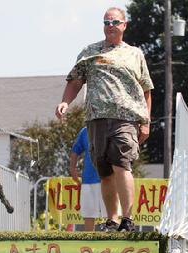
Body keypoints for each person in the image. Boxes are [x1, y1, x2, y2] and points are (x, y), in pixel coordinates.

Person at [55, 7, 153, 232]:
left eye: (115, 22)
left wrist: (146, 122)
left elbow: (146, 89)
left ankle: (127, 219)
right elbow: (75, 81)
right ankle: (113, 219)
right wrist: (65, 102)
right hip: (95, 119)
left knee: (122, 164)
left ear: (124, 25)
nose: (110, 26)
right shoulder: (89, 51)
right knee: (105, 171)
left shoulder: (134, 54)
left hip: (125, 118)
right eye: (107, 22)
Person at [70, 127, 107, 231]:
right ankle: (89, 243)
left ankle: (111, 243)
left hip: (109, 178)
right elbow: (75, 149)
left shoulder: (113, 127)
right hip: (89, 178)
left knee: (110, 214)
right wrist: (72, 168)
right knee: (89, 214)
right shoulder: (85, 130)